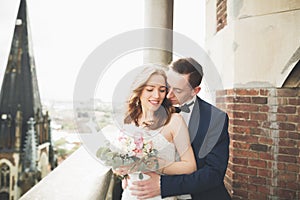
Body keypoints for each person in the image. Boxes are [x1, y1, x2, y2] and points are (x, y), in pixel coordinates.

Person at [128, 58, 231, 199]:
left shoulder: (215, 119)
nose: (168, 95)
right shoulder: (154, 103)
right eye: (167, 86)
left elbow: (213, 174)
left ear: (195, 91)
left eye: (177, 90)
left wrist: (163, 186)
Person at [114, 66, 197, 200]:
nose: (157, 95)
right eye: (150, 89)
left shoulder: (174, 121)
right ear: (139, 90)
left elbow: (190, 166)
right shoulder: (127, 120)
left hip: (159, 195)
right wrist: (120, 170)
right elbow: (119, 160)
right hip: (131, 195)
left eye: (162, 90)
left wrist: (156, 164)